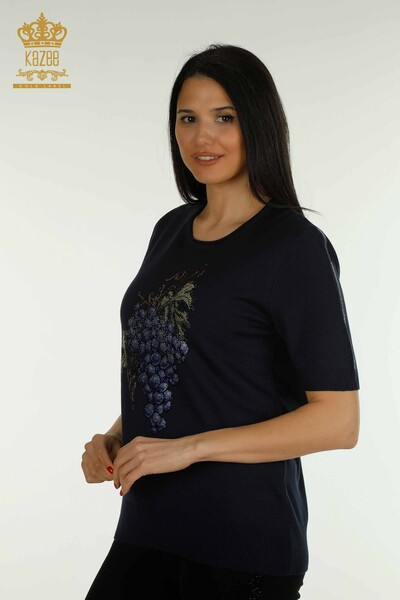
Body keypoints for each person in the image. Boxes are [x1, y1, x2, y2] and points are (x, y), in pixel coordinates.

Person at [81, 43, 360, 600]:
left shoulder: (294, 247)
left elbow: (338, 421)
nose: (202, 138)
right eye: (187, 119)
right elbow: (183, 369)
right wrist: (116, 436)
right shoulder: (169, 231)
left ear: (258, 124)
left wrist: (188, 448)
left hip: (242, 545)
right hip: (147, 527)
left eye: (224, 118)